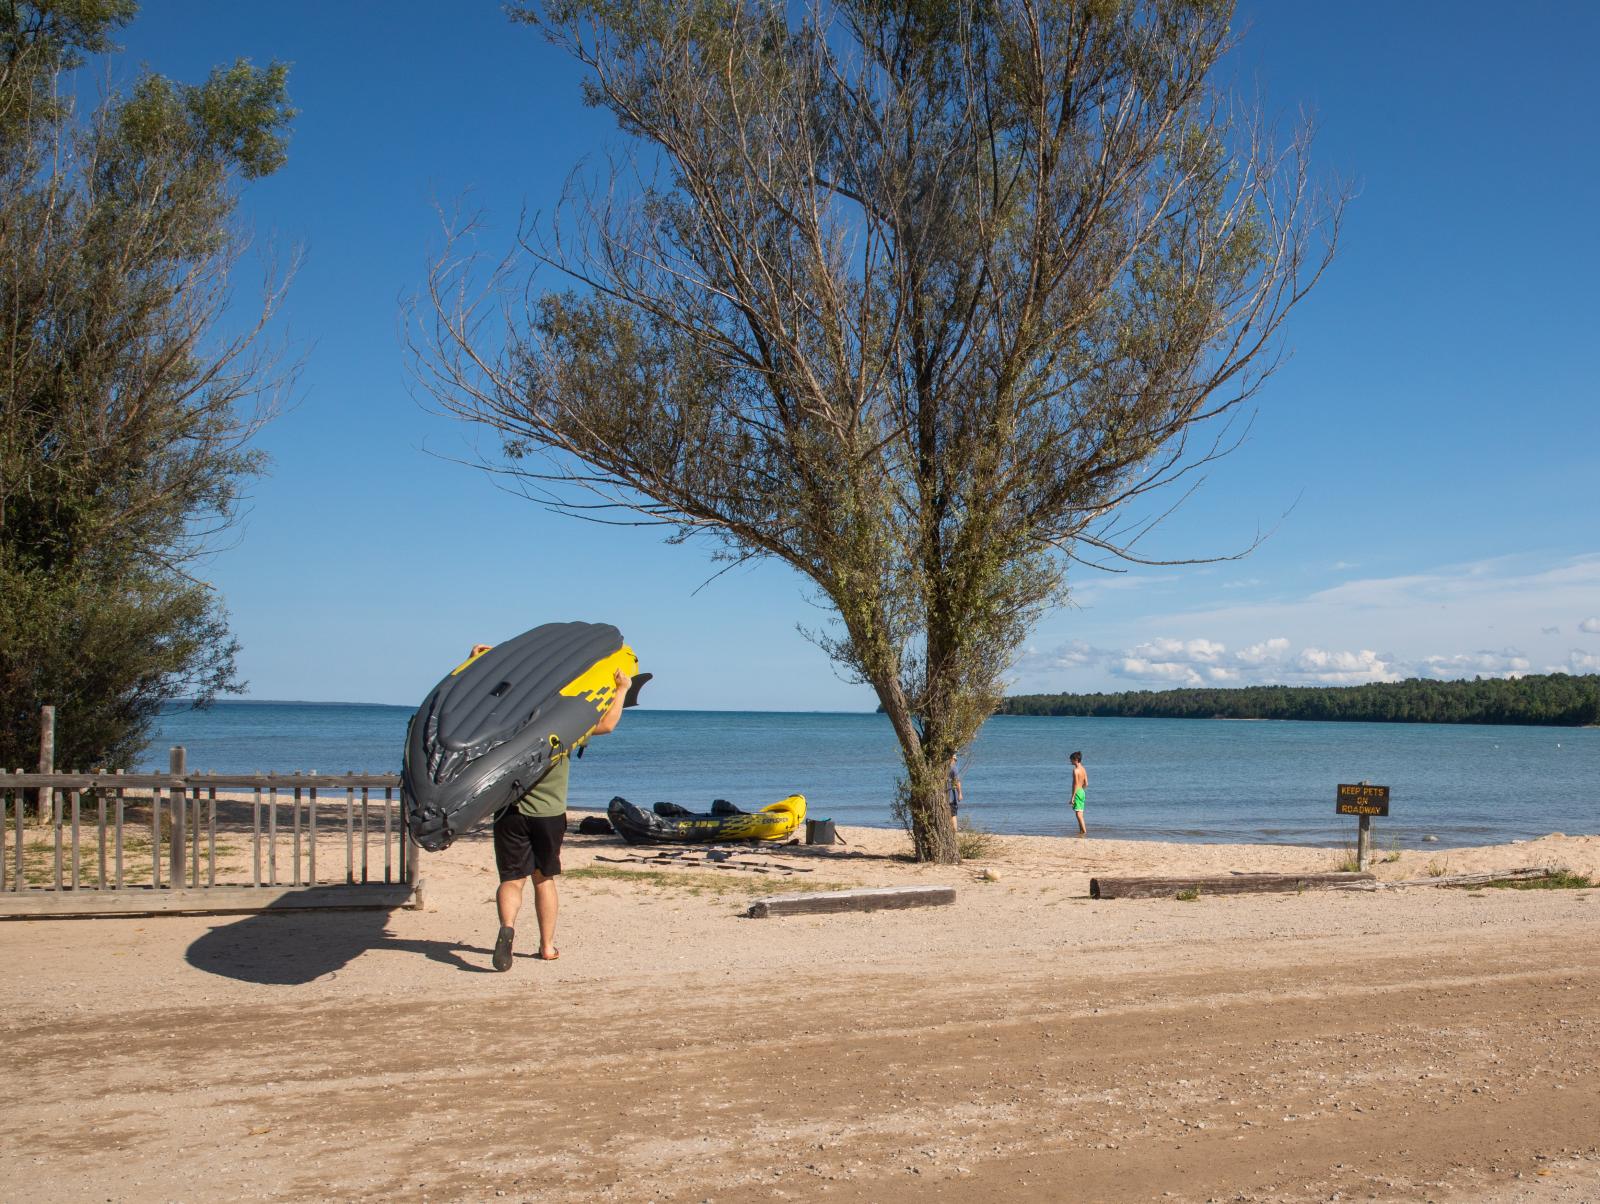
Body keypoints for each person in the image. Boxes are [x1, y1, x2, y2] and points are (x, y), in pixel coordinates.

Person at [492, 664, 632, 971]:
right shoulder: (564, 727)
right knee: (543, 880)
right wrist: (622, 689)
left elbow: (475, 710)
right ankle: (546, 946)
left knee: (512, 880)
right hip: (549, 813)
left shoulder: (506, 725)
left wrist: (476, 665)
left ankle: (507, 927)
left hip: (508, 811)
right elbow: (607, 724)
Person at [1069, 750, 1087, 837]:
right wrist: (1081, 790)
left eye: (1071, 760)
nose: (1070, 761)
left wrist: (1072, 797)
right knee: (1080, 813)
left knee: (1078, 815)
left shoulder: (1075, 770)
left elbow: (1075, 784)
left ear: (1076, 760)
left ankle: (1084, 831)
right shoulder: (1083, 769)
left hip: (1077, 792)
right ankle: (1081, 831)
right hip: (1082, 792)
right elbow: (1086, 783)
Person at [946, 752, 963, 837]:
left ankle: (950, 831)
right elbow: (957, 782)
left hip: (944, 796)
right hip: (951, 796)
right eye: (955, 759)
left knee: (947, 814)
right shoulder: (954, 768)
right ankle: (954, 832)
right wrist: (960, 793)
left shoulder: (943, 768)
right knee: (953, 814)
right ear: (951, 759)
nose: (955, 761)